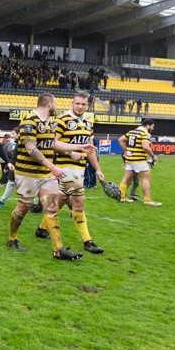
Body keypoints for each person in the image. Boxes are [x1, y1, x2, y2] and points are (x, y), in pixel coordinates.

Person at [8, 94, 81, 259]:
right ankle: (12, 238)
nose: (56, 106)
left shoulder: (49, 122)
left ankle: (58, 249)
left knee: (52, 207)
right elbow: (31, 149)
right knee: (23, 207)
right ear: (49, 104)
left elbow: (53, 144)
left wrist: (76, 149)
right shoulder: (29, 121)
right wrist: (53, 167)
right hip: (28, 173)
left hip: (46, 175)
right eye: (55, 103)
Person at [52, 91, 105, 254]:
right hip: (65, 166)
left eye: (83, 104)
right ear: (72, 103)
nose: (80, 107)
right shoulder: (62, 120)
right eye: (78, 103)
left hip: (80, 168)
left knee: (62, 199)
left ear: (87, 105)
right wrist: (70, 153)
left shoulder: (88, 123)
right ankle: (87, 241)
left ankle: (42, 228)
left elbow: (90, 149)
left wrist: (97, 169)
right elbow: (52, 143)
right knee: (79, 201)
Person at [118, 119, 161, 205]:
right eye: (152, 126)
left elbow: (120, 140)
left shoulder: (131, 132)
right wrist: (153, 156)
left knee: (126, 178)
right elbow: (145, 147)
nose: (152, 128)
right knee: (146, 177)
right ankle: (147, 200)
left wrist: (126, 150)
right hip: (139, 159)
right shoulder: (145, 133)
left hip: (129, 159)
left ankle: (122, 197)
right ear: (148, 125)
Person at [0, 133, 18, 208]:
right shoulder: (11, 144)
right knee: (10, 180)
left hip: (6, 161)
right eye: (12, 134)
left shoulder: (3, 142)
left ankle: (31, 203)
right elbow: (10, 153)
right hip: (9, 162)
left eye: (14, 134)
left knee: (10, 180)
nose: (12, 136)